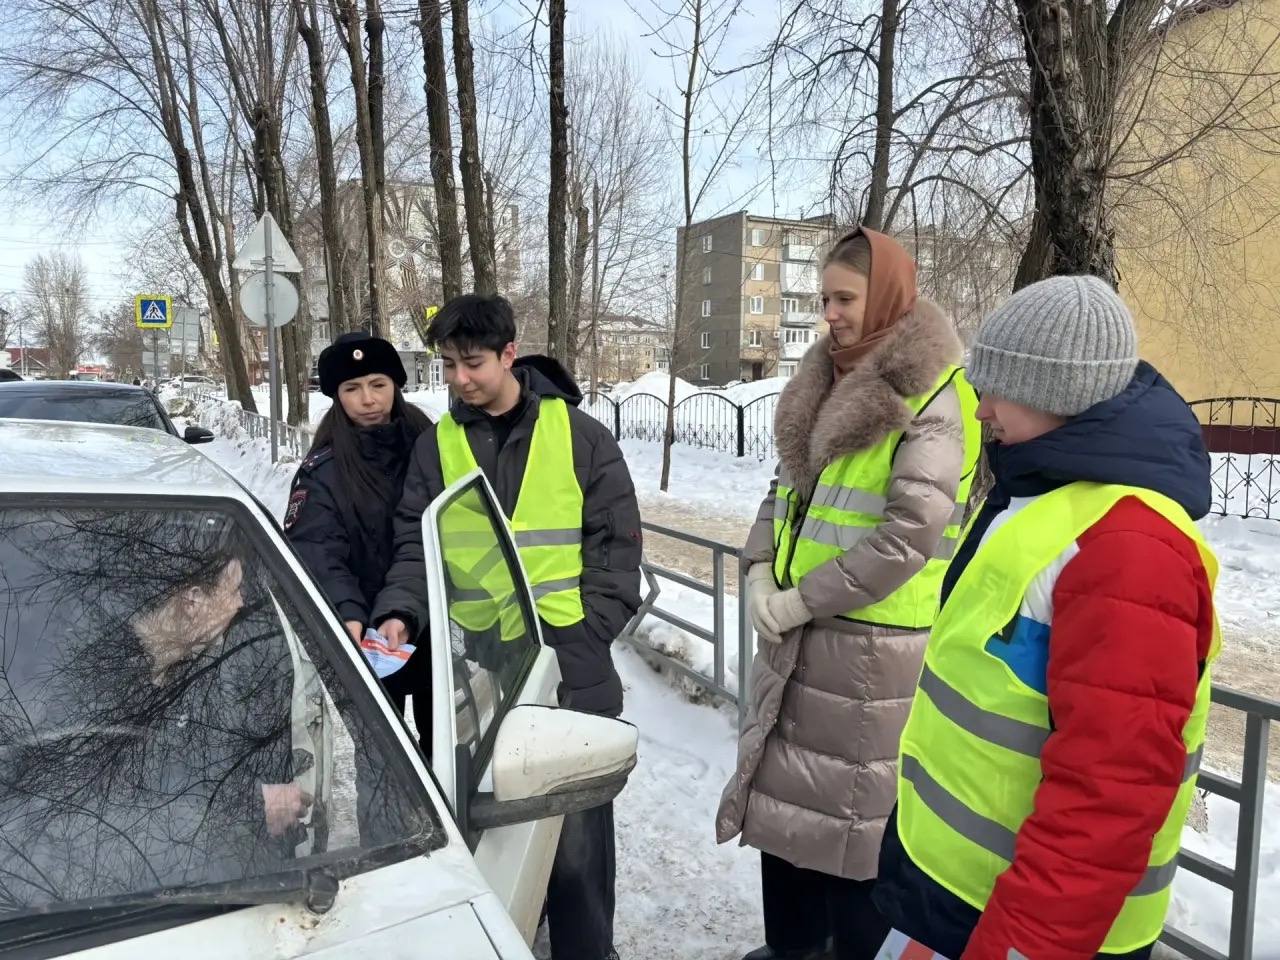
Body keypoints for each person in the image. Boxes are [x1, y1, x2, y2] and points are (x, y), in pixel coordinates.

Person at [872, 276, 1217, 960]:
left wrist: (1021, 945)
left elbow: (1110, 792)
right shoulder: (1043, 491)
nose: (981, 410)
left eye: (999, 388)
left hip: (1028, 926)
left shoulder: (1129, 547)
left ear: (1057, 394)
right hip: (962, 897)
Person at [716, 226, 982, 960]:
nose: (828, 313)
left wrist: (802, 598)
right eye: (823, 297)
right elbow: (785, 492)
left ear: (890, 296)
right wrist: (761, 567)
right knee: (789, 825)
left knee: (852, 844)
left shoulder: (934, 398)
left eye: (843, 298)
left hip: (871, 660)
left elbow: (909, 534)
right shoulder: (824, 380)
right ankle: (791, 949)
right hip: (803, 647)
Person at [372, 293, 642, 960]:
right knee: (495, 831)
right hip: (482, 667)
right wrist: (399, 613)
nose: (460, 380)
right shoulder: (440, 445)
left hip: (568, 664)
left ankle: (585, 950)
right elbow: (416, 543)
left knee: (577, 836)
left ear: (509, 355)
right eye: (448, 366)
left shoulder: (580, 437)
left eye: (473, 364)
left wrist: (587, 633)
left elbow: (617, 546)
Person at [284, 332, 433, 737]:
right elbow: (315, 548)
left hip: (433, 627)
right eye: (352, 388)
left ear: (395, 386)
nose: (368, 400)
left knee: (450, 758)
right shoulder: (324, 470)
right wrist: (345, 611)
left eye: (378, 384)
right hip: (369, 637)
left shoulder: (430, 445)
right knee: (382, 757)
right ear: (337, 396)